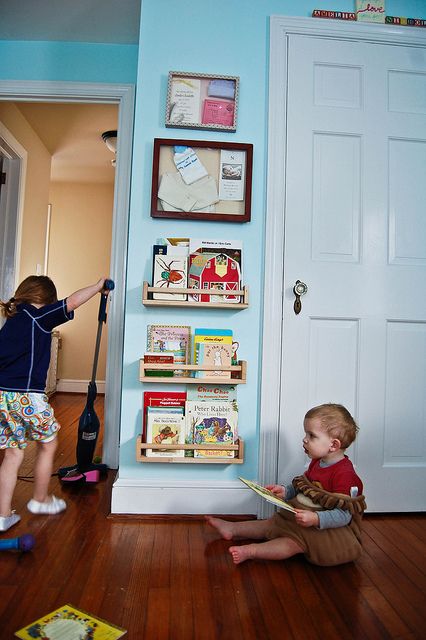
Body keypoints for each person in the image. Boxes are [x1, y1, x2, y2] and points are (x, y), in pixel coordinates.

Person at [0, 275, 109, 532]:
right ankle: (39, 500)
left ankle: (3, 515)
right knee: (48, 444)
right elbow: (71, 302)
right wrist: (97, 286)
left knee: (13, 453)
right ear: (45, 300)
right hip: (27, 396)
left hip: (3, 396)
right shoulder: (38, 317)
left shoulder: (12, 320)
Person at [206, 403, 367, 566]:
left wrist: (316, 519)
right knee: (272, 523)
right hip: (303, 518)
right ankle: (232, 529)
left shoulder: (345, 475)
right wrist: (286, 491)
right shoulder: (318, 462)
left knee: (292, 543)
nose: (305, 439)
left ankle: (251, 551)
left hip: (326, 532)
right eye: (306, 434)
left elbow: (343, 516)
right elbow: (305, 486)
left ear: (334, 445)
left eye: (312, 436)